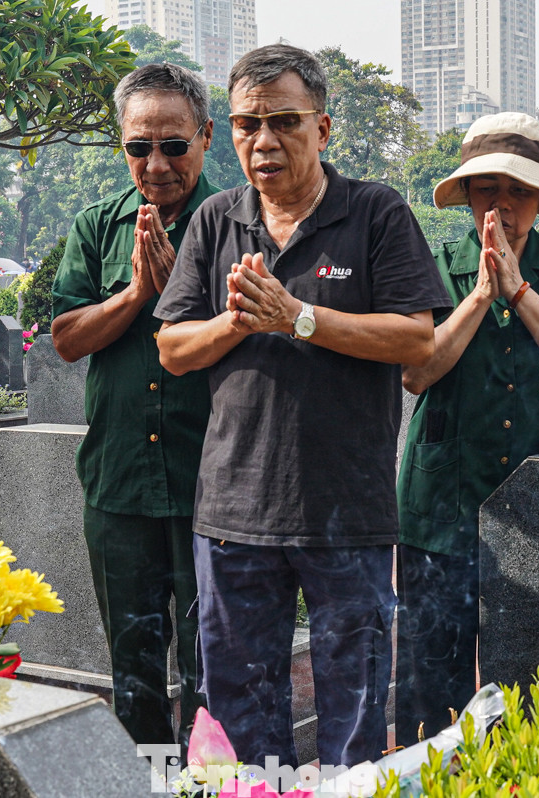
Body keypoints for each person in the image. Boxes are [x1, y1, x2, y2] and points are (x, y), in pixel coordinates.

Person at [153, 44, 450, 769]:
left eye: (283, 121)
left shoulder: (375, 212)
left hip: (346, 511)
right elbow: (173, 348)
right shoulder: (216, 220)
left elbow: (416, 338)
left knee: (353, 716)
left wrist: (299, 318)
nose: (265, 141)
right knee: (241, 719)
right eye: (247, 124)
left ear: (322, 127)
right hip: (234, 512)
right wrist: (238, 322)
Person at [396, 112, 539, 740]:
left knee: (533, 673)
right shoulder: (432, 265)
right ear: (467, 195)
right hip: (442, 498)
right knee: (432, 677)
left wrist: (519, 291)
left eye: (520, 191)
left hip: (538, 499)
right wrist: (481, 293)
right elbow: (416, 373)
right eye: (488, 189)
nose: (503, 205)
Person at [49, 62, 217, 752]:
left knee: (216, 673)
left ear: (206, 137)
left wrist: (179, 292)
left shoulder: (236, 222)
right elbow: (67, 338)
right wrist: (136, 294)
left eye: (173, 145)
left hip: (213, 486)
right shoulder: (97, 226)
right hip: (120, 484)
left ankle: (214, 789)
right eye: (138, 147)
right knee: (134, 675)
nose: (156, 165)